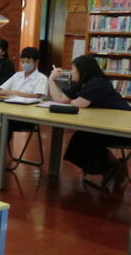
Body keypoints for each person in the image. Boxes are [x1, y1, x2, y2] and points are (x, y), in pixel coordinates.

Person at [48, 54, 131, 187]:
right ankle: (112, 167)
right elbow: (61, 99)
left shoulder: (98, 82)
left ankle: (114, 166)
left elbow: (80, 103)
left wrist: (72, 100)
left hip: (122, 129)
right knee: (82, 135)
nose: (71, 72)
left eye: (73, 69)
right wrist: (51, 80)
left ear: (83, 70)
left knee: (87, 137)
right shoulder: (81, 83)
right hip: (105, 124)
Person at [0, 47, 47, 172]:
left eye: (28, 61)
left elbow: (36, 96)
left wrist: (12, 92)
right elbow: (3, 89)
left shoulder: (41, 78)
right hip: (9, 111)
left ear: (36, 62)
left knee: (1, 125)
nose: (24, 64)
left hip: (26, 117)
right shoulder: (17, 75)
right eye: (22, 61)